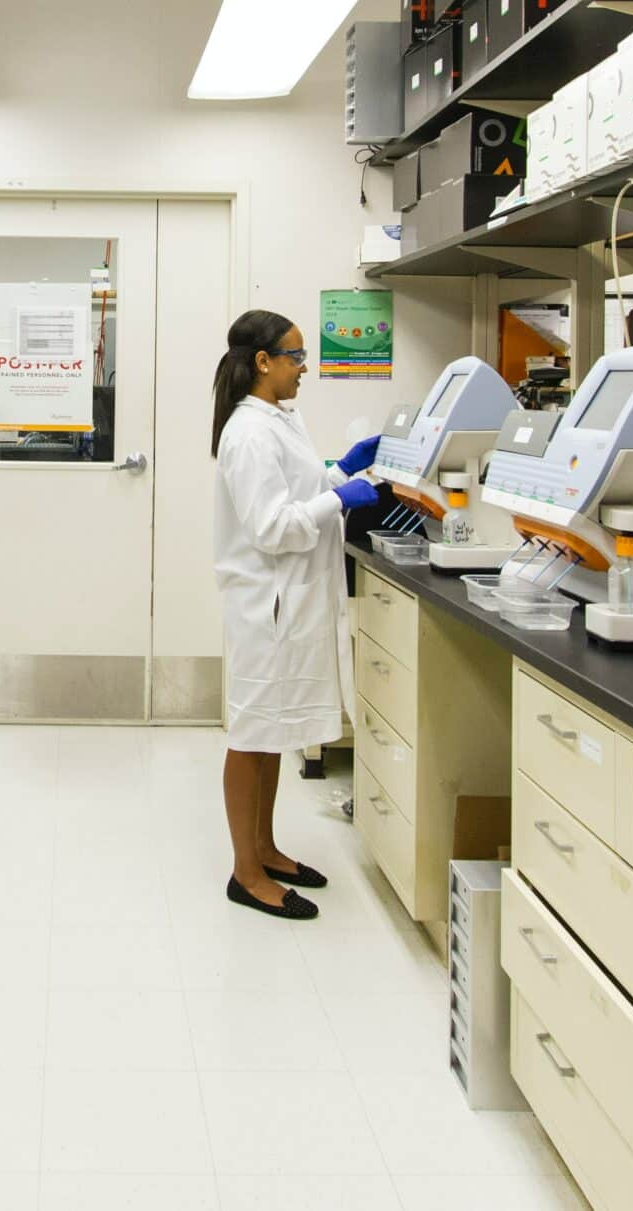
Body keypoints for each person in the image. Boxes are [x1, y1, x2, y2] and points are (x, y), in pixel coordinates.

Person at [209, 309, 381, 920]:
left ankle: (267, 848)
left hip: (287, 602)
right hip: (266, 606)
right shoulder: (249, 432)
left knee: (273, 734)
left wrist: (340, 471)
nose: (303, 368)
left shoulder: (280, 419)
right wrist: (339, 499)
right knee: (252, 734)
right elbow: (273, 525)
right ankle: (245, 872)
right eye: (296, 357)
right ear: (264, 362)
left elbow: (296, 492)